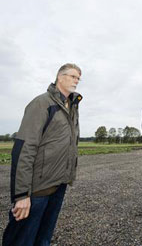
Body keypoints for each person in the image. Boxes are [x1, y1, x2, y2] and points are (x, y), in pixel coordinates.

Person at [2, 63, 83, 246]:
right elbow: (24, 148)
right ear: (59, 77)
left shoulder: (72, 106)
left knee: (43, 239)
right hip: (36, 189)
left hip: (58, 184)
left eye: (78, 78)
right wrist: (22, 195)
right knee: (22, 239)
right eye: (72, 76)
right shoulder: (42, 103)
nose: (76, 80)